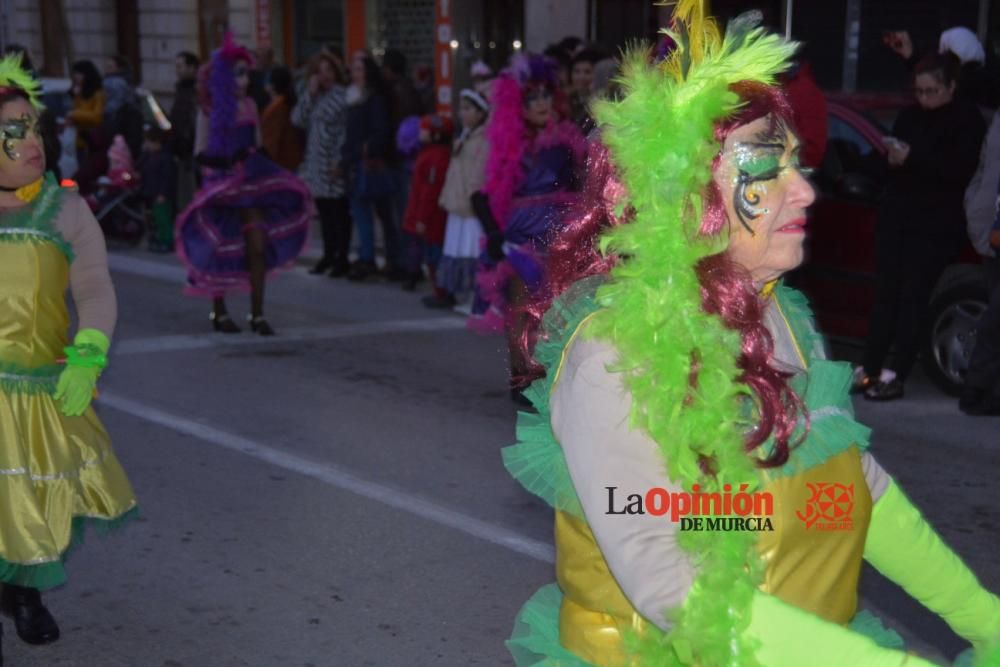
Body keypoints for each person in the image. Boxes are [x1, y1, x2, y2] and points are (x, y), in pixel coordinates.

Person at [501, 4, 1000, 665]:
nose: (805, 193)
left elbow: (851, 489)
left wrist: (985, 617)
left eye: (795, 164)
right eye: (766, 170)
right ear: (685, 196)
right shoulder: (614, 352)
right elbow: (669, 581)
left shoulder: (783, 316)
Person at [0, 54, 138, 652]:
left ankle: (23, 596)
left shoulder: (68, 208)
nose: (30, 142)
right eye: (12, 132)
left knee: (30, 502)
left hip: (38, 393)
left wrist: (86, 357)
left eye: (33, 127)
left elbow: (94, 290)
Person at [857, 53, 985, 400]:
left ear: (951, 87)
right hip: (898, 216)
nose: (925, 99)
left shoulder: (965, 120)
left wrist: (913, 159)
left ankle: (895, 373)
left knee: (913, 299)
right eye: (920, 91)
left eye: (932, 91)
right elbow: (890, 163)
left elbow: (960, 169)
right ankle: (869, 369)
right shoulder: (911, 116)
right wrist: (883, 160)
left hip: (934, 224)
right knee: (886, 296)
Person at [174, 33, 312, 335]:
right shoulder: (208, 110)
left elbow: (259, 144)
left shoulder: (250, 105)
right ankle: (219, 312)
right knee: (220, 248)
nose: (244, 80)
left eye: (246, 74)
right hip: (220, 187)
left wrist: (268, 166)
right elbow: (199, 154)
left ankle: (257, 314)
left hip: (251, 185)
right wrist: (225, 162)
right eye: (237, 74)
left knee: (258, 246)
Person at [468, 54, 585, 406]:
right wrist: (493, 233)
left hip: (559, 230)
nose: (541, 104)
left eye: (546, 96)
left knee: (554, 306)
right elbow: (480, 192)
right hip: (519, 235)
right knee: (521, 306)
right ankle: (521, 374)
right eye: (532, 98)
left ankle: (549, 369)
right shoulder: (505, 141)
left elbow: (584, 181)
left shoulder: (567, 138)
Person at [342, 52, 400, 281]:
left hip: (370, 164)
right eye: (352, 69)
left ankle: (387, 259)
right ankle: (368, 257)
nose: (354, 74)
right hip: (356, 162)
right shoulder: (353, 97)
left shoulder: (373, 98)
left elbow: (380, 131)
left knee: (382, 214)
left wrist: (366, 149)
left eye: (358, 69)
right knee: (363, 213)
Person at [292, 52, 351, 276]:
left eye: (329, 70)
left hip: (333, 161)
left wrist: (339, 161)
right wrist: (310, 94)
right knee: (324, 213)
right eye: (320, 71)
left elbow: (345, 132)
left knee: (339, 212)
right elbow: (297, 119)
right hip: (315, 161)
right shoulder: (313, 96)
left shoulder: (342, 97)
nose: (325, 76)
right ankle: (328, 254)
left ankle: (341, 257)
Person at [434, 89, 490, 309]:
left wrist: (472, 197)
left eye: (468, 109)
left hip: (470, 206)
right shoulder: (465, 136)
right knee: (456, 250)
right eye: (462, 109)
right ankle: (457, 293)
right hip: (456, 203)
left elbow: (478, 173)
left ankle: (473, 298)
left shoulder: (482, 140)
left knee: (471, 251)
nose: (462, 113)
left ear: (480, 113)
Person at [960, 108, 1000, 415]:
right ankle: (979, 389)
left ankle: (981, 388)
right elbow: (986, 168)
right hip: (993, 232)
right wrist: (976, 207)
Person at [399, 113, 453, 292]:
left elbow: (430, 192)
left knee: (433, 253)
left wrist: (421, 218)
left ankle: (440, 289)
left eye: (424, 130)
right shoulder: (430, 154)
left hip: (428, 216)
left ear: (435, 134)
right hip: (421, 212)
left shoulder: (435, 158)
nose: (420, 133)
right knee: (427, 250)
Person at [169, 51, 200, 210]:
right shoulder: (181, 89)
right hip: (182, 148)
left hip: (191, 150)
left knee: (193, 194)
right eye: (177, 66)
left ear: (192, 67)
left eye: (180, 66)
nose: (177, 70)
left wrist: (186, 143)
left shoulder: (197, 90)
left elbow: (192, 121)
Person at [139, 126, 177, 252]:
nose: (147, 145)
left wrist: (163, 193)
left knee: (163, 217)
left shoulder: (165, 157)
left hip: (161, 194)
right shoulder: (150, 156)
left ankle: (168, 241)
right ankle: (161, 238)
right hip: (153, 192)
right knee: (157, 217)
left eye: (149, 142)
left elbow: (168, 178)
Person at [260, 65, 305, 172]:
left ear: (272, 84)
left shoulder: (277, 109)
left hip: (281, 165)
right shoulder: (287, 103)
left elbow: (271, 143)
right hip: (292, 161)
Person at [66, 60, 105, 160]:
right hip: (80, 140)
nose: (76, 77)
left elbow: (97, 117)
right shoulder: (78, 92)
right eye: (75, 74)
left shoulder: (97, 93)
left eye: (79, 73)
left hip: (92, 139)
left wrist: (74, 114)